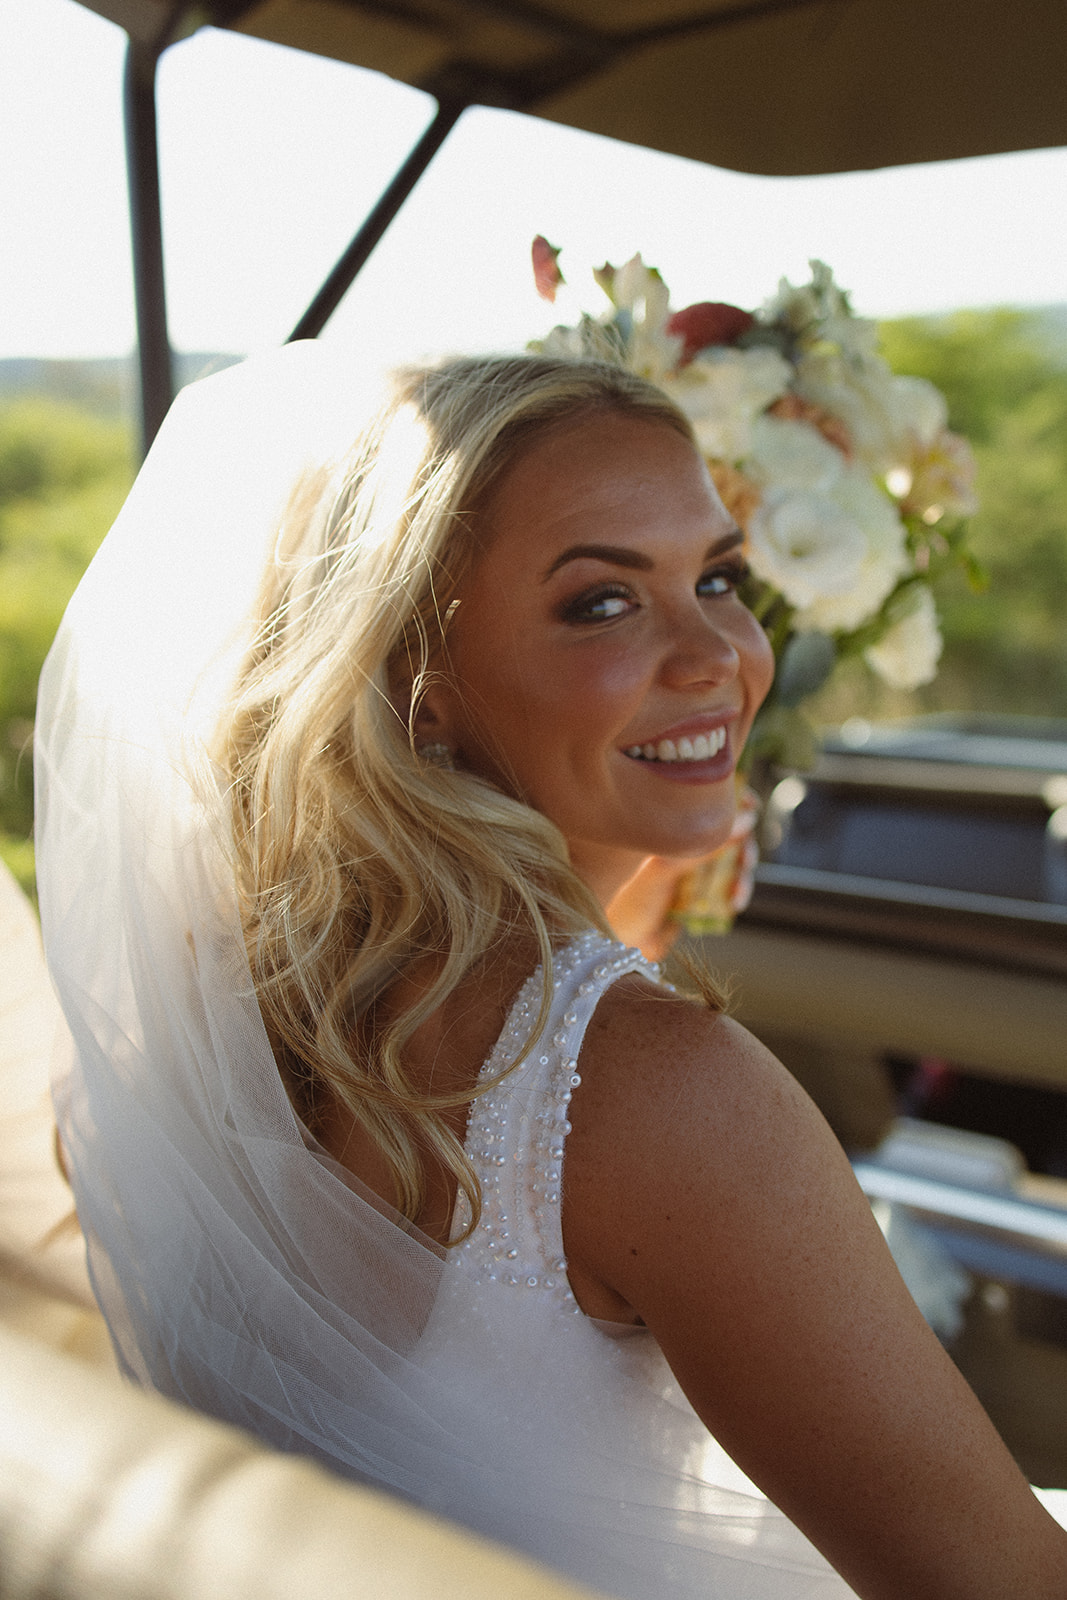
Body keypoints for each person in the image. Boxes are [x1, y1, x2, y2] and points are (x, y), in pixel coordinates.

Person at [35, 344, 1067, 1600]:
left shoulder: (214, 1021)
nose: (719, 658)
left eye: (719, 577)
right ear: (417, 684)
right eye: (600, 602)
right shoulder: (658, 1095)